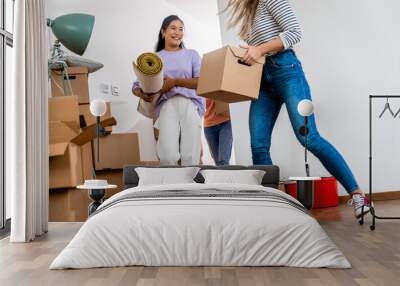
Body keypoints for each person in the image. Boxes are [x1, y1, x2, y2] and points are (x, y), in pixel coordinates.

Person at [224, 0, 369, 219]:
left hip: (287, 71)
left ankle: (357, 194)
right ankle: (273, 208)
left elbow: (294, 33)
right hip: (262, 79)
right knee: (258, 145)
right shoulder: (248, 9)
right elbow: (258, 49)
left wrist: (259, 49)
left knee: (309, 137)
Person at [132, 15, 205, 166]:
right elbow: (136, 85)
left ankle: (190, 186)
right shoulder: (155, 58)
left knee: (191, 153)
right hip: (166, 104)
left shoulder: (192, 55)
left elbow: (201, 81)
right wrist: (142, 93)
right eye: (173, 28)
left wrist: (175, 82)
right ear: (163, 32)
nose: (177, 32)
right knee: (167, 153)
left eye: (181, 29)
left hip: (190, 103)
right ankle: (172, 185)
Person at [204, 99, 233, 165]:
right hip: (209, 126)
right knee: (217, 163)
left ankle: (226, 174)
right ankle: (225, 175)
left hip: (226, 122)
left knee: (223, 161)